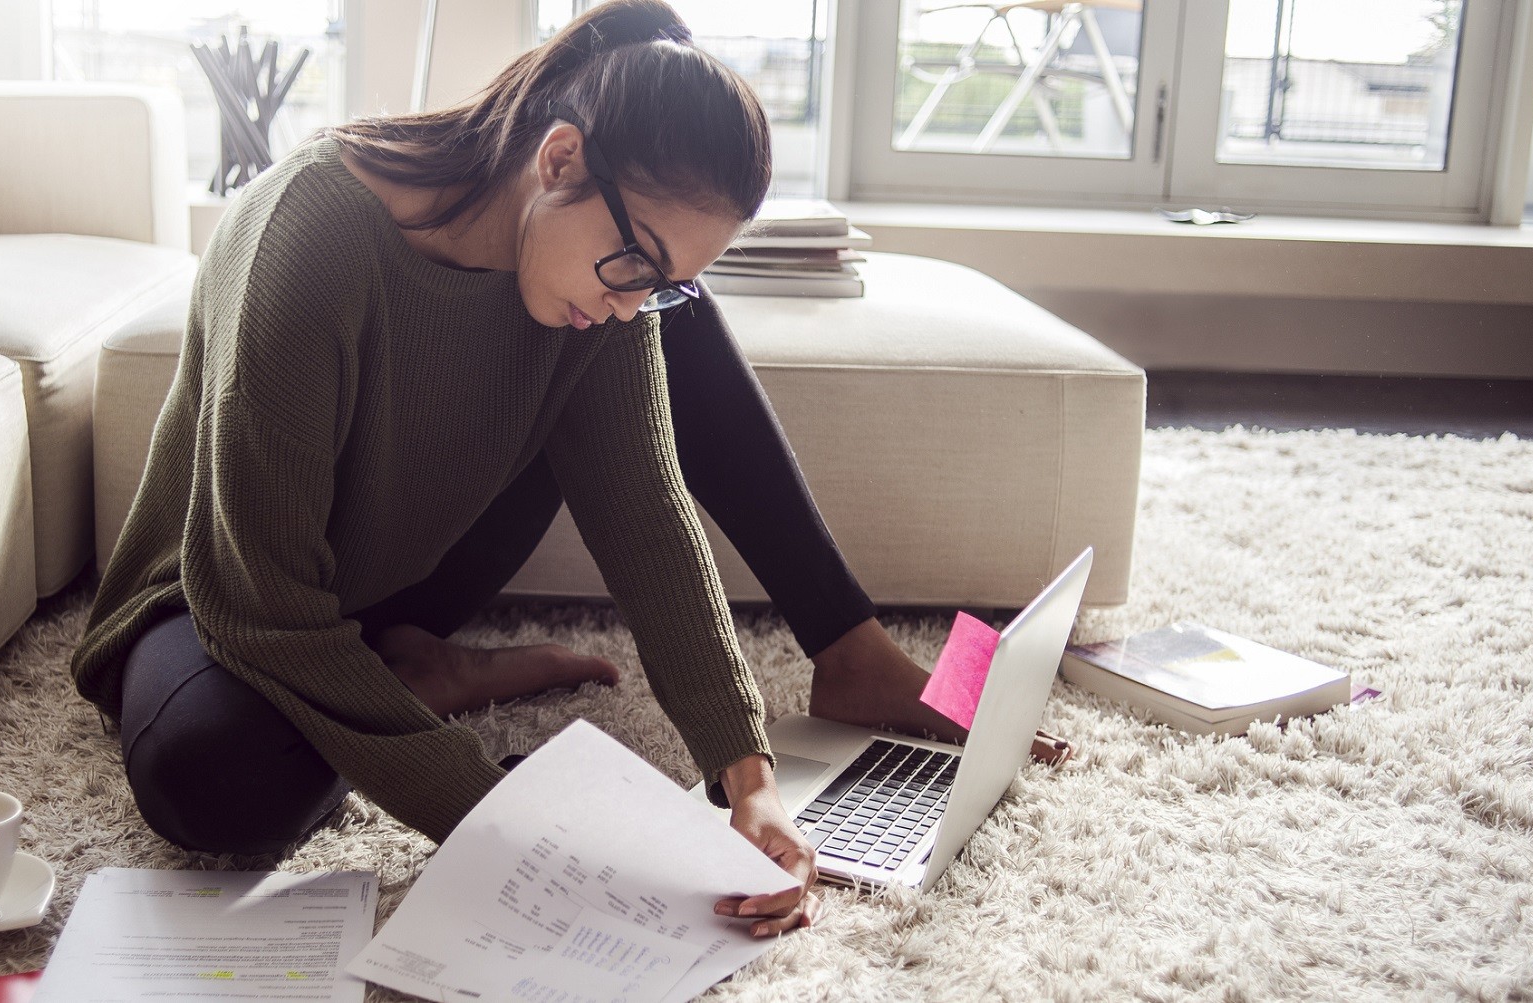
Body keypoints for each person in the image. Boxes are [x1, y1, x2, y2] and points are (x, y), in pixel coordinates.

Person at [71, 0, 1051, 940]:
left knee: (677, 327)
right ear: (559, 157)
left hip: (393, 570)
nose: (634, 302)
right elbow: (263, 611)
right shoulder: (311, 238)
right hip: (219, 602)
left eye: (656, 279)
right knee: (218, 779)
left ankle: (851, 648)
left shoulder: (605, 295)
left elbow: (648, 514)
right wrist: (500, 812)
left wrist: (748, 778)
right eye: (638, 261)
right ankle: (400, 683)